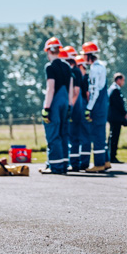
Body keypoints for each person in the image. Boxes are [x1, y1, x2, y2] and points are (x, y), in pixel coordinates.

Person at [40, 37, 72, 175]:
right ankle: (64, 164)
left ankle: (55, 166)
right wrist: (70, 105)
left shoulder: (50, 67)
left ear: (48, 51)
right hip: (65, 102)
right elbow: (70, 87)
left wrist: (46, 108)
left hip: (55, 102)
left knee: (53, 134)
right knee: (63, 133)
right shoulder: (67, 66)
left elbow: (50, 88)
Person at [82, 41, 110, 172]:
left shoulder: (94, 69)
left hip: (97, 106)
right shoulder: (102, 66)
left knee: (97, 134)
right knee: (101, 133)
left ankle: (99, 164)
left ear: (88, 55)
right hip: (103, 104)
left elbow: (94, 91)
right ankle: (106, 161)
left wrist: (89, 108)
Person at [61, 46, 89, 172]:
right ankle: (75, 162)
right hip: (77, 107)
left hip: (75, 107)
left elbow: (76, 92)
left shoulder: (74, 71)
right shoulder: (75, 71)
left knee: (73, 136)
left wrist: (69, 107)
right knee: (74, 136)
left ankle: (74, 163)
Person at [75, 54, 92, 170]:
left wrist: (88, 109)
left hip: (83, 107)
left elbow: (88, 94)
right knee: (79, 135)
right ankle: (79, 161)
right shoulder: (81, 78)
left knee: (85, 135)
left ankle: (84, 162)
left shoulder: (85, 78)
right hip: (80, 108)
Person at [107, 72, 127, 164]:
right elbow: (118, 104)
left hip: (113, 116)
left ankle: (110, 155)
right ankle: (112, 156)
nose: (123, 82)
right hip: (115, 117)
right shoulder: (115, 90)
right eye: (123, 80)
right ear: (118, 80)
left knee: (112, 136)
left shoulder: (113, 89)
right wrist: (124, 113)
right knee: (114, 136)